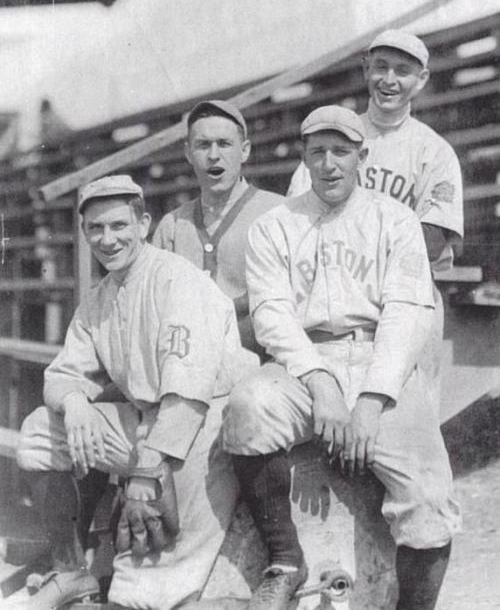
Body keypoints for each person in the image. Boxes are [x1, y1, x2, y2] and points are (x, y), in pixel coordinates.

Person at [223, 106, 462, 610]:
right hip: (305, 360)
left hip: (382, 357)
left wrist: (372, 401)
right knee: (248, 406)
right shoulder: (275, 225)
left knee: (430, 498)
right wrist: (320, 382)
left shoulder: (393, 219)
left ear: (362, 156)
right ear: (304, 159)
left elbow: (405, 314)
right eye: (318, 152)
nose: (330, 163)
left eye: (342, 151)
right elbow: (271, 314)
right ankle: (286, 558)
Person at [8, 175, 257, 610]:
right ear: (84, 233)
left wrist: (146, 470)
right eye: (96, 229)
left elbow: (188, 392)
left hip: (204, 428)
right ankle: (70, 572)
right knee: (39, 431)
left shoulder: (176, 280)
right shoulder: (100, 297)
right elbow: (61, 373)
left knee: (151, 584)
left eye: (119, 225)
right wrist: (75, 405)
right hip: (144, 421)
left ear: (143, 223)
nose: (108, 239)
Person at [287, 31, 464, 409]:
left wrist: (348, 237)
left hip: (408, 300)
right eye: (380, 66)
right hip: (333, 302)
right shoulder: (332, 137)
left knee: (406, 418)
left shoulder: (434, 150)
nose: (389, 80)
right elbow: (298, 220)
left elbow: (431, 239)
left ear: (423, 79)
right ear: (365, 68)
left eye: (402, 71)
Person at [152, 99, 283, 355]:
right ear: (188, 153)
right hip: (186, 358)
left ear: (244, 150)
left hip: (258, 359)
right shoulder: (172, 225)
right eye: (203, 145)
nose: (213, 155)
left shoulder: (278, 213)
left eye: (224, 144)